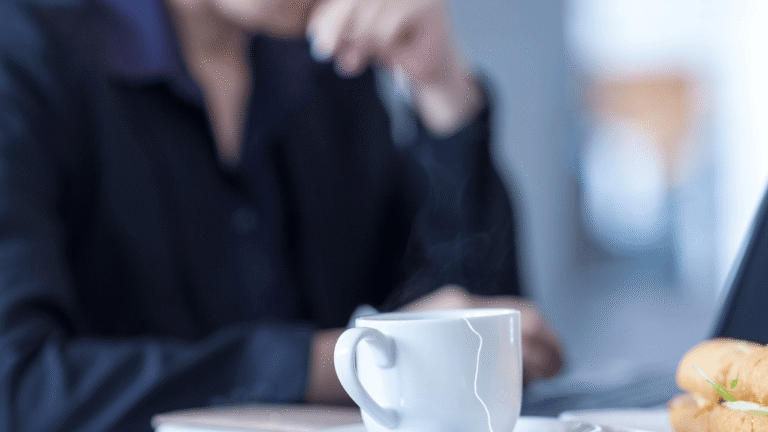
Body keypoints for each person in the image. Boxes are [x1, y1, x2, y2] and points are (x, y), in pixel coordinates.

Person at [0, 0, 564, 430]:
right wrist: (328, 366)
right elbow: (18, 384)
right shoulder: (26, 51)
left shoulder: (319, 60)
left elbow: (469, 345)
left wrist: (440, 87)